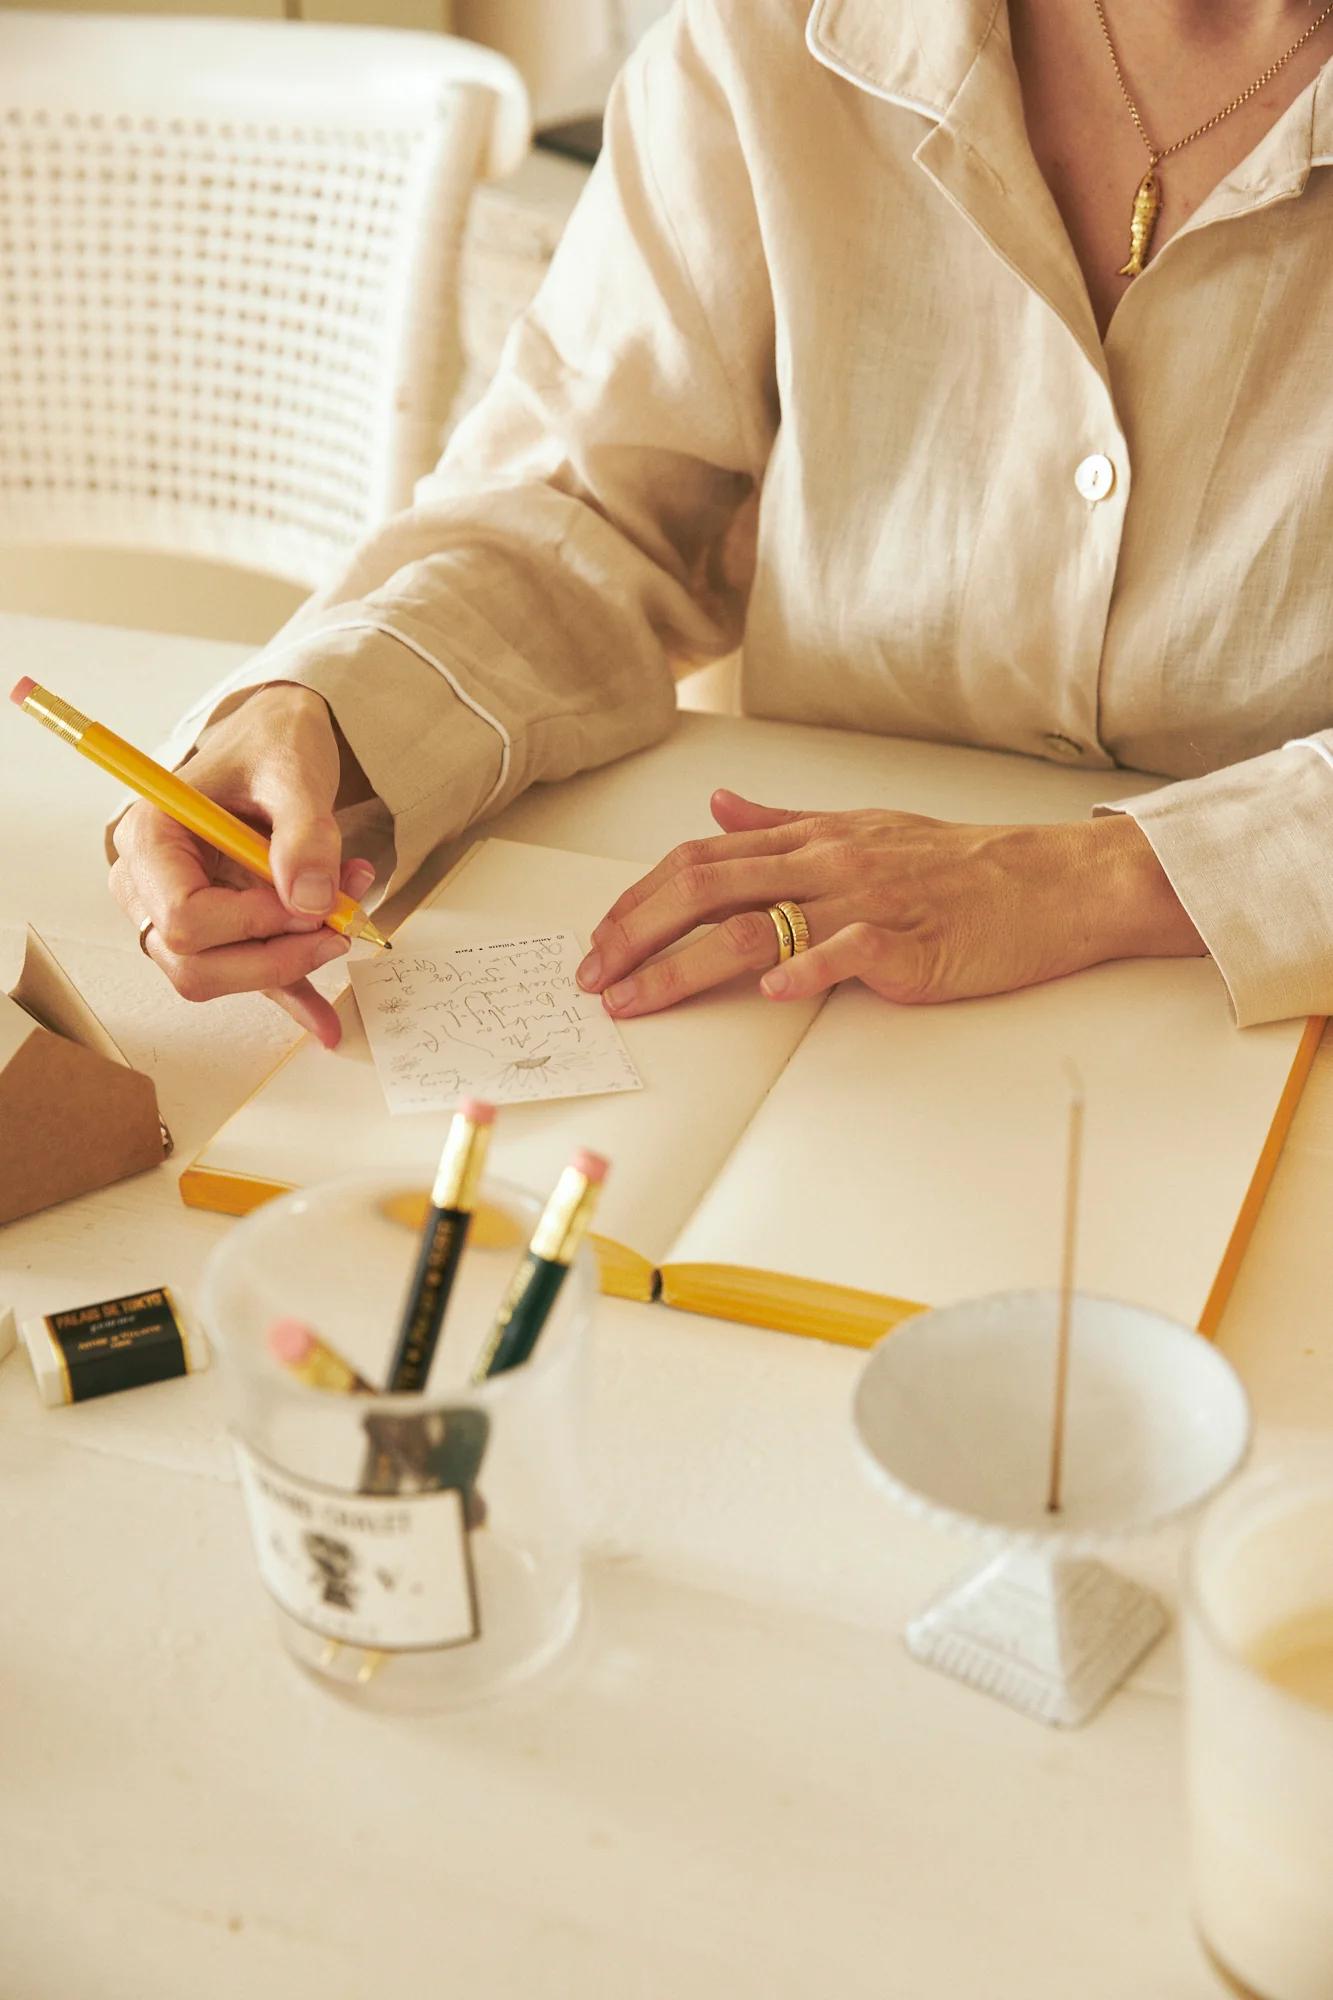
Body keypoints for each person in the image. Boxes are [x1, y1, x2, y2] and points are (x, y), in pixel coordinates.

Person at [110, 0, 1333, 1050]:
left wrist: (1099, 877)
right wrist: (316, 716)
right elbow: (586, 509)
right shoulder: (766, 38)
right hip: (828, 1025)